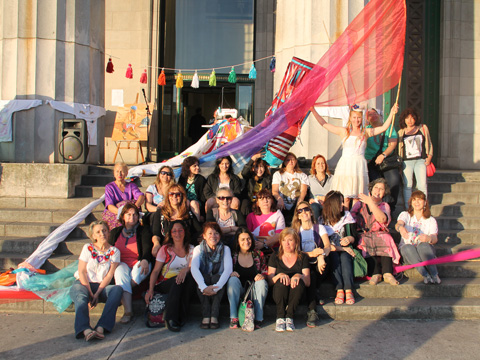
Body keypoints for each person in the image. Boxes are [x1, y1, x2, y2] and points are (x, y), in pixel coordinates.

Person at [310, 104, 398, 208]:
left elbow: (383, 128)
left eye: (359, 118)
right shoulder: (344, 131)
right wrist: (313, 110)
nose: (356, 120)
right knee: (345, 197)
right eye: (354, 117)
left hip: (359, 166)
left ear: (362, 118)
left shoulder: (366, 132)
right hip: (346, 165)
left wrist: (392, 113)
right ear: (350, 118)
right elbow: (324, 124)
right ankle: (346, 220)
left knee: (357, 197)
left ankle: (355, 220)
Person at [70, 221, 123, 341]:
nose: (102, 234)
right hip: (84, 283)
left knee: (117, 290)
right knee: (80, 296)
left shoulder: (115, 251)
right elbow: (82, 271)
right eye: (98, 232)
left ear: (108, 233)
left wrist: (97, 294)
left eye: (104, 230)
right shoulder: (87, 248)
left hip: (101, 286)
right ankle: (85, 329)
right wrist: (90, 293)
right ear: (93, 235)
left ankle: (101, 327)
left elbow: (109, 275)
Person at [145, 221, 195, 332]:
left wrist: (185, 270)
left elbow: (193, 267)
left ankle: (182, 316)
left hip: (183, 282)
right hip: (165, 282)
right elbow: (155, 271)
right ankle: (171, 318)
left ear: (185, 232)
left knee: (189, 279)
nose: (177, 233)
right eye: (174, 231)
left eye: (180, 230)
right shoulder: (165, 249)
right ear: (171, 234)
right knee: (177, 281)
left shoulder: (191, 249)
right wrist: (151, 289)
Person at [108, 203, 153, 324]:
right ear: (123, 217)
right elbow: (109, 250)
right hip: (122, 263)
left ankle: (120, 292)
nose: (132, 217)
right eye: (128, 215)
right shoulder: (115, 232)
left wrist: (145, 259)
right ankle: (128, 312)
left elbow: (148, 248)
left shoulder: (143, 230)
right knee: (119, 272)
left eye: (134, 215)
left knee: (136, 275)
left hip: (139, 262)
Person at [351, 178, 401, 286]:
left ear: (384, 193)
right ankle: (376, 273)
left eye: (381, 189)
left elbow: (382, 219)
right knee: (365, 240)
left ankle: (388, 273)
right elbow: (351, 218)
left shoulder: (384, 206)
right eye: (376, 188)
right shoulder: (359, 204)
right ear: (371, 189)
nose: (378, 191)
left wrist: (370, 203)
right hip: (364, 234)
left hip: (380, 233)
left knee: (385, 238)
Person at [291, 201, 331, 327]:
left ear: (311, 212)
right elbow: (294, 252)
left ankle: (314, 297)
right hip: (303, 261)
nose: (304, 212)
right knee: (311, 275)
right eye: (300, 211)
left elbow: (328, 246)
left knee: (324, 264)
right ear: (297, 215)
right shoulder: (296, 231)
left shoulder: (319, 227)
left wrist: (321, 256)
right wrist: (311, 254)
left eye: (306, 209)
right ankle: (312, 310)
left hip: (319, 261)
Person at [191, 222, 233, 329]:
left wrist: (217, 287)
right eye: (210, 233)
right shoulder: (198, 249)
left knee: (216, 277)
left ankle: (214, 315)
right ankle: (206, 314)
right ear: (204, 236)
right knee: (203, 277)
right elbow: (194, 268)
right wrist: (203, 287)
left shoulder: (225, 249)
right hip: (204, 281)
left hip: (218, 282)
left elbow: (228, 270)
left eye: (216, 233)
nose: (213, 236)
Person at [268, 228, 310, 332]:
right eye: (284, 240)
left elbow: (308, 281)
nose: (287, 243)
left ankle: (290, 316)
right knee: (281, 283)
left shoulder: (303, 257)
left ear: (296, 242)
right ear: (280, 242)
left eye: (290, 240)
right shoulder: (275, 256)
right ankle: (280, 317)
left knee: (298, 282)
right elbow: (269, 280)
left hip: (296, 293)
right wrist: (279, 275)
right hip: (279, 292)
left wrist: (299, 276)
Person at [395, 190, 440, 284]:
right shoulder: (406, 215)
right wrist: (401, 228)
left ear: (425, 202)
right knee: (407, 247)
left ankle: (434, 275)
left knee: (423, 246)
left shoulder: (430, 220)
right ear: (411, 202)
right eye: (414, 200)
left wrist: (428, 238)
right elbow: (399, 224)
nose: (416, 202)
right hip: (408, 252)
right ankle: (426, 275)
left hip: (425, 250)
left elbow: (434, 238)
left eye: (419, 200)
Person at [227, 228, 269, 329]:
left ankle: (259, 318)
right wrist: (231, 273)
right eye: (243, 239)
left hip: (254, 290)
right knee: (232, 280)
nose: (246, 242)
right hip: (239, 290)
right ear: (237, 241)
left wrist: (262, 276)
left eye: (248, 239)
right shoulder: (233, 255)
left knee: (262, 283)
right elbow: (225, 272)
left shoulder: (258, 254)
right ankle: (234, 318)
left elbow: (265, 271)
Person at [322, 191, 358, 305]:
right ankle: (339, 289)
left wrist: (349, 239)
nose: (343, 205)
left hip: (345, 248)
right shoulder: (322, 220)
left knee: (345, 257)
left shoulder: (346, 216)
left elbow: (354, 236)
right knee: (334, 258)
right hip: (331, 249)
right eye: (340, 202)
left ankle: (348, 289)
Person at [365, 108, 401, 212]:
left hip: (386, 161)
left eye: (374, 113)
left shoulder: (389, 128)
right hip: (371, 162)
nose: (373, 116)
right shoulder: (367, 129)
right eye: (370, 115)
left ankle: (390, 208)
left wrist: (383, 155)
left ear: (379, 114)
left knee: (394, 181)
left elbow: (392, 144)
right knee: (374, 185)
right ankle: (374, 208)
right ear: (367, 119)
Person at [151, 183, 202, 255]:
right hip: (167, 249)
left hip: (186, 249)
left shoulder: (188, 213)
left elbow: (199, 231)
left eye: (178, 194)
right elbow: (156, 233)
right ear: (168, 196)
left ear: (182, 196)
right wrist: (156, 244)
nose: (174, 196)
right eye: (171, 194)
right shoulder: (160, 213)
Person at [398, 108, 434, 206]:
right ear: (404, 119)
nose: (410, 120)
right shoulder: (401, 132)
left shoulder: (423, 128)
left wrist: (429, 156)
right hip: (407, 161)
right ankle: (408, 206)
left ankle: (423, 206)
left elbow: (429, 143)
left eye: (412, 118)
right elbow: (399, 149)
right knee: (407, 185)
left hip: (420, 160)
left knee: (422, 184)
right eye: (407, 118)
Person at [102, 162, 145, 230]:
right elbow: (109, 206)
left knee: (131, 204)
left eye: (122, 171)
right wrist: (122, 213)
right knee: (125, 205)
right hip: (115, 213)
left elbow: (141, 197)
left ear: (126, 173)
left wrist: (135, 207)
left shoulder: (131, 186)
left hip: (129, 213)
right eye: (117, 171)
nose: (119, 174)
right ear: (114, 173)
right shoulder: (109, 187)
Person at [272, 152, 308, 226]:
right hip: (282, 203)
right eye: (288, 160)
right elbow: (274, 191)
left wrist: (300, 201)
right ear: (284, 162)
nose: (291, 162)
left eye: (293, 160)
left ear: (296, 161)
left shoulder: (302, 175)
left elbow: (303, 191)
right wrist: (279, 199)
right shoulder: (278, 174)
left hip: (296, 203)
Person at [246, 189, 285, 253]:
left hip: (274, 249)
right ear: (257, 203)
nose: (265, 201)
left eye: (268, 198)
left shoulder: (278, 214)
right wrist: (265, 239)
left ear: (272, 201)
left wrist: (264, 244)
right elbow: (248, 235)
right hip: (256, 247)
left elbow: (279, 235)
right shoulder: (251, 216)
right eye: (261, 199)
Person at [178, 156, 206, 221]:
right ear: (188, 167)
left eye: (198, 165)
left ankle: (197, 224)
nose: (197, 168)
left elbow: (203, 197)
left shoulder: (201, 179)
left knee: (193, 203)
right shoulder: (182, 178)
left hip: (197, 202)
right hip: (185, 201)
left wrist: (202, 214)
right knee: (187, 202)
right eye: (194, 166)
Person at [307, 154, 333, 221]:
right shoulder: (309, 178)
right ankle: (316, 228)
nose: (321, 165)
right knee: (314, 207)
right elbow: (306, 193)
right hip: (315, 202)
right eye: (318, 163)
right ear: (314, 166)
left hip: (329, 202)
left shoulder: (332, 178)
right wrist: (310, 200)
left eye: (323, 163)